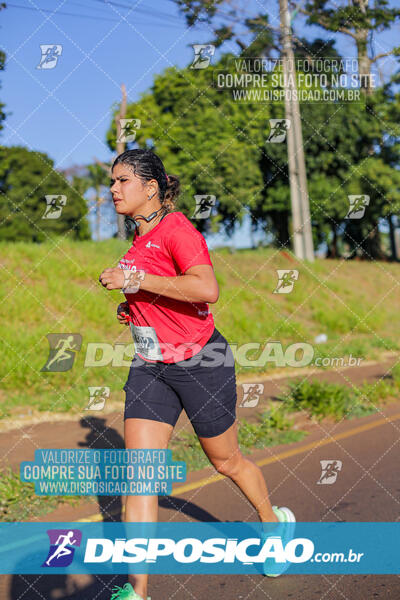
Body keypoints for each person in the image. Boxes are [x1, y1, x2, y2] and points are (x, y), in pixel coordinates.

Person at [99, 149, 295, 600]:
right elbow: (161, 292)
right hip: (151, 368)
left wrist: (138, 283)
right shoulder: (136, 246)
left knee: (225, 461)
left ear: (150, 188)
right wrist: (132, 308)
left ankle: (273, 523)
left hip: (201, 363)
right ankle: (137, 592)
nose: (113, 189)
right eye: (112, 181)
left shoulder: (177, 230)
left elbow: (207, 288)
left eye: (122, 180)